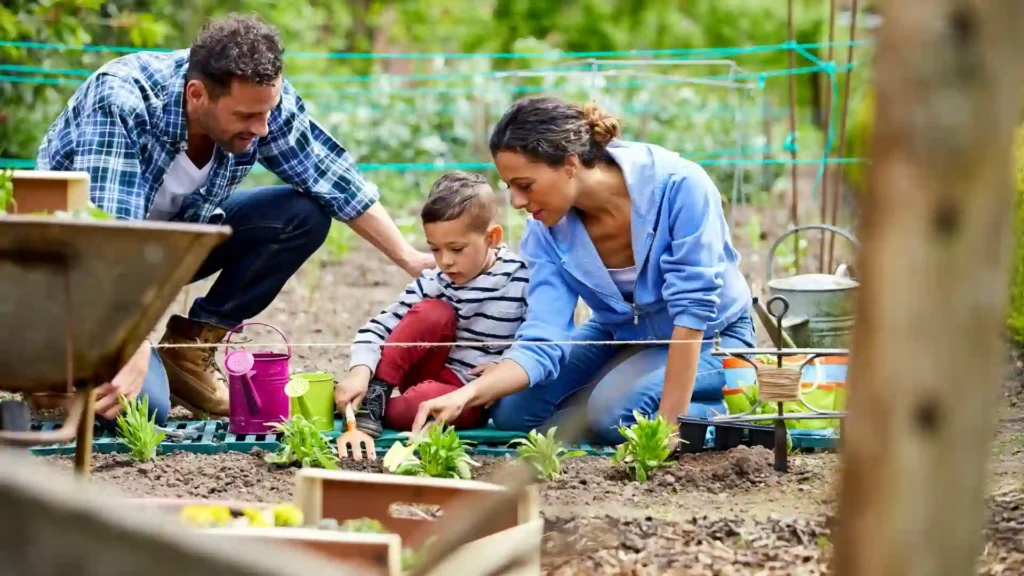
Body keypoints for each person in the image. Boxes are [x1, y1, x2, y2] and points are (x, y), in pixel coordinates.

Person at [33, 13, 434, 425]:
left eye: (266, 113)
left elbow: (332, 178)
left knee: (302, 215)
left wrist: (409, 257)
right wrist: (130, 345)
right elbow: (105, 239)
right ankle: (49, 364)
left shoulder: (259, 101)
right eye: (245, 117)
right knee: (144, 408)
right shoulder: (122, 100)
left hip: (165, 250)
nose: (261, 129)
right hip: (70, 272)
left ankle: (186, 354)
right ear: (197, 95)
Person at [410, 96, 756, 446]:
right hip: (620, 334)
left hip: (713, 337)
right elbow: (544, 332)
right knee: (512, 412)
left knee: (616, 417)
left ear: (570, 164)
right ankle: (613, 394)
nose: (515, 202)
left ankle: (739, 406)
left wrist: (668, 428)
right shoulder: (545, 229)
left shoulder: (679, 187)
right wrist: (469, 394)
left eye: (525, 185)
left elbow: (692, 312)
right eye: (509, 187)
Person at [334, 171, 529, 438]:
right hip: (427, 370)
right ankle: (374, 396)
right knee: (433, 312)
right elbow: (378, 329)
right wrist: (359, 372)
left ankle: (367, 408)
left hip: (469, 394)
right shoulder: (435, 281)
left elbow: (537, 339)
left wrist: (506, 366)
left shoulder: (521, 278)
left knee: (418, 405)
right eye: (435, 249)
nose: (445, 261)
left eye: (456, 249)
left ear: (492, 238)